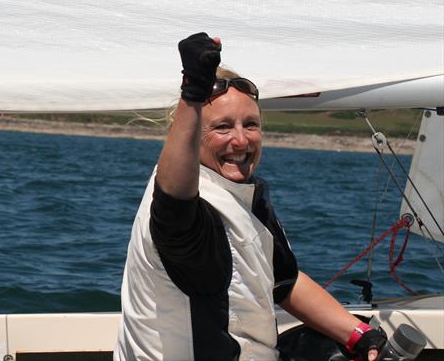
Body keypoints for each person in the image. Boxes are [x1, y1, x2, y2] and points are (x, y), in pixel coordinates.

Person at [114, 33, 387, 361]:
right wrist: (192, 92)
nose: (241, 140)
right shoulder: (185, 210)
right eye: (223, 127)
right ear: (191, 135)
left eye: (251, 124)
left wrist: (357, 335)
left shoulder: (243, 196)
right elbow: (174, 199)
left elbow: (282, 282)